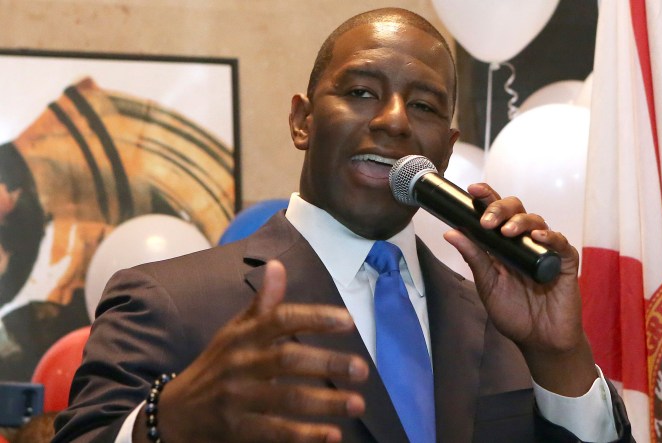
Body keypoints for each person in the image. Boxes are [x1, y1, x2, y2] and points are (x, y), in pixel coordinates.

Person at [53, 7, 632, 443]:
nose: (394, 122)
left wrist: (560, 357)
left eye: (425, 107)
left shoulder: (507, 321)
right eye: (360, 93)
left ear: (447, 150)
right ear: (302, 121)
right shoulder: (169, 301)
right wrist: (170, 420)